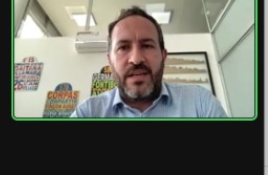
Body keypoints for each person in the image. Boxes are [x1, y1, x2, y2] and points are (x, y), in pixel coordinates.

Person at [70, 6, 227, 118]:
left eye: (147, 45)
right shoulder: (88, 112)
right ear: (110, 61)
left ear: (163, 55)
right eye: (123, 47)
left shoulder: (200, 103)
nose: (136, 59)